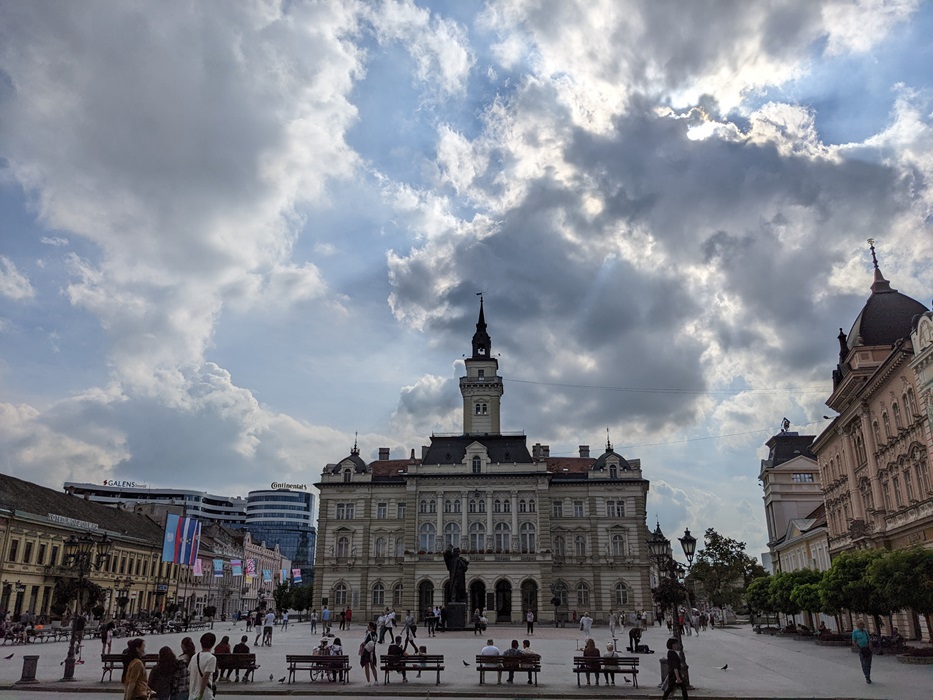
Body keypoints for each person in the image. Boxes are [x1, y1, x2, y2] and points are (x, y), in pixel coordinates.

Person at [188, 632, 217, 700]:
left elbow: (190, 672)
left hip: (192, 694)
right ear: (213, 644)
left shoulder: (194, 657)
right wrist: (201, 694)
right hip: (205, 695)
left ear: (201, 643)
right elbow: (205, 677)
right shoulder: (211, 658)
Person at [852, 620, 873, 684]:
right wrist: (857, 647)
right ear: (858, 625)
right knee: (864, 664)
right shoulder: (855, 632)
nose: (863, 626)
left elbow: (869, 639)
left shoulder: (865, 631)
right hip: (861, 649)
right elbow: (854, 641)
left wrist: (870, 647)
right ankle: (866, 676)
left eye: (863, 624)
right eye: (861, 624)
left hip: (868, 648)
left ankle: (868, 675)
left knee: (868, 664)